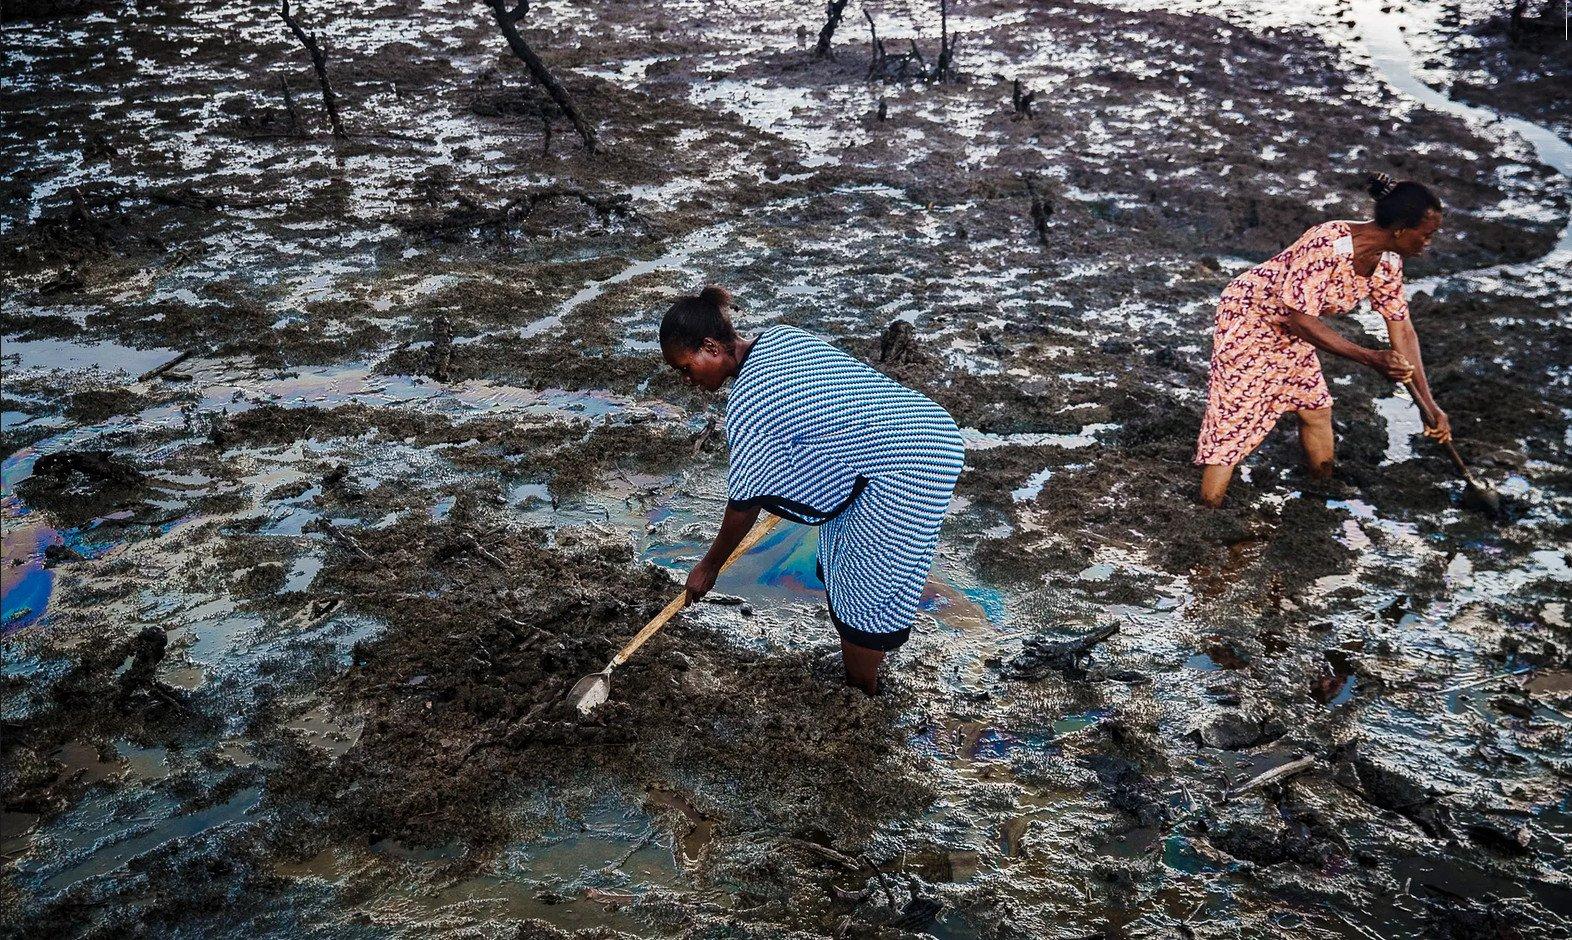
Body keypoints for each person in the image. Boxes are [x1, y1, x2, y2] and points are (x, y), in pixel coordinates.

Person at [660, 287, 965, 694]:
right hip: (927, 427)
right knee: (842, 554)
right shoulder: (782, 337)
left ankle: (862, 692)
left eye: (685, 366)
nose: (688, 379)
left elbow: (743, 505)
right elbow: (828, 414)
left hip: (907, 468)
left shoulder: (748, 402)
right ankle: (866, 664)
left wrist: (709, 566)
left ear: (712, 347)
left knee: (868, 584)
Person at [1195, 173, 1450, 507]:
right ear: (1400, 229)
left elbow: (1402, 329)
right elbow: (1299, 318)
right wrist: (1369, 357)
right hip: (1251, 319)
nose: (1428, 244)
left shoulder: (1388, 262)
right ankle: (1208, 510)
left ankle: (1321, 493)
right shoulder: (1328, 244)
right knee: (1236, 418)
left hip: (1291, 329)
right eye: (1426, 235)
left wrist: (1430, 407)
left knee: (1314, 408)